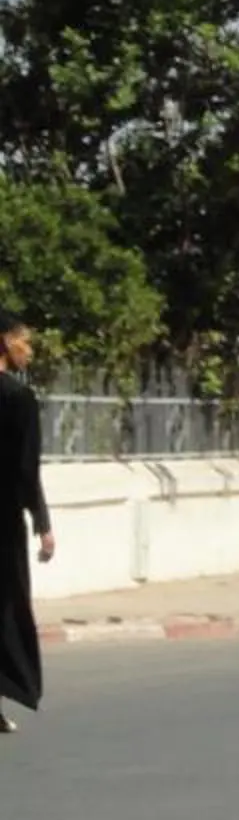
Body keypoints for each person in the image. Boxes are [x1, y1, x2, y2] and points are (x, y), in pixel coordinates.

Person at [0, 313, 52, 735]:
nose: (28, 350)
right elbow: (25, 469)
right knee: (7, 608)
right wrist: (43, 522)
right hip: (2, 522)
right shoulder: (18, 398)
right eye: (23, 341)